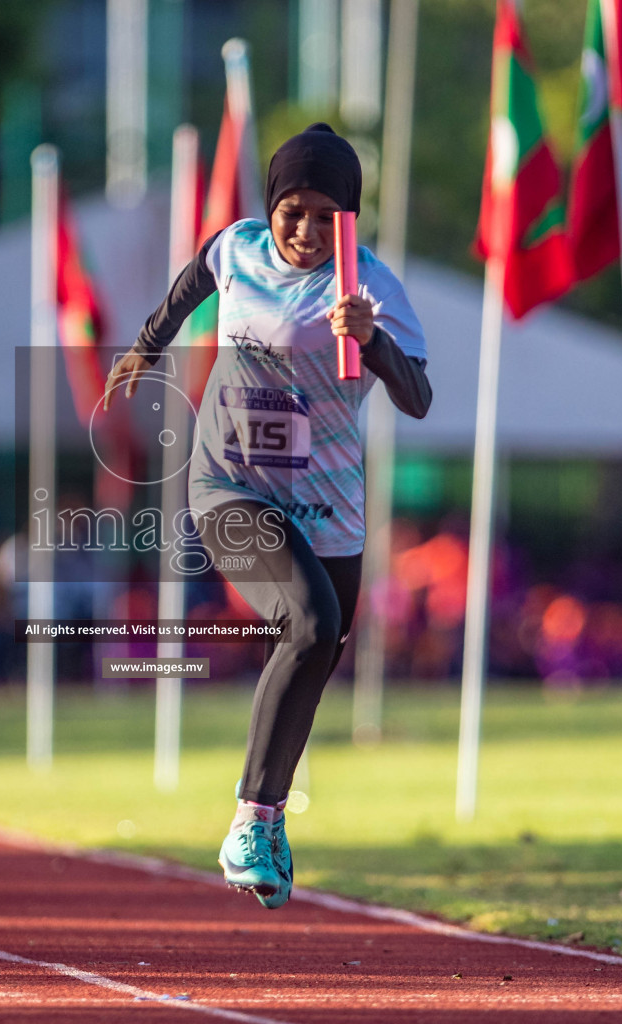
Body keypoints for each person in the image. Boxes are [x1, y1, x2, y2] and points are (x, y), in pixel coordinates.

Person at [104, 123, 432, 909]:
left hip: (332, 508)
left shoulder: (371, 285)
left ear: (348, 218)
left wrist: (376, 345)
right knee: (312, 622)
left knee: (318, 654)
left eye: (326, 215)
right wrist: (146, 350)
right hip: (230, 487)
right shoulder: (239, 248)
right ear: (272, 204)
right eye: (293, 209)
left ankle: (269, 815)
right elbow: (190, 286)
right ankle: (251, 819)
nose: (305, 230)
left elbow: (419, 399)